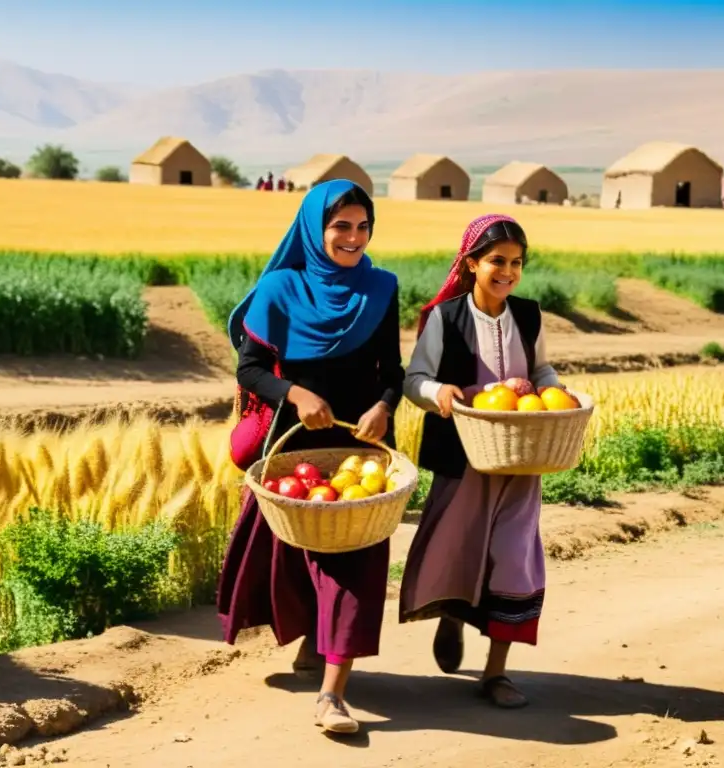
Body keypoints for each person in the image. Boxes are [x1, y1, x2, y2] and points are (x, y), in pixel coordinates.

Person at [217, 179, 404, 735]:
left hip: (357, 450)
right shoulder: (279, 288)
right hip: (293, 447)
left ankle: (332, 693)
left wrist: (384, 407)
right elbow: (249, 369)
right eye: (340, 226)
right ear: (314, 228)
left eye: (362, 226)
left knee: (356, 565)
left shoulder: (381, 288)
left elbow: (391, 371)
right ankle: (310, 644)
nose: (352, 237)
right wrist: (294, 395)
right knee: (293, 557)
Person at [398, 213, 564, 710]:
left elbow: (541, 369)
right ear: (471, 263)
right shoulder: (444, 319)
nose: (507, 271)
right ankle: (453, 616)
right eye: (496, 261)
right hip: (463, 459)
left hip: (520, 460)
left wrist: (554, 392)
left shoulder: (529, 316)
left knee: (514, 560)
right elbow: (414, 380)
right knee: (458, 552)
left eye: (516, 263)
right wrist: (438, 391)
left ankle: (496, 673)